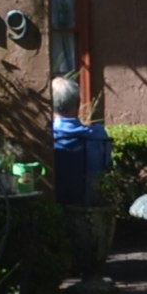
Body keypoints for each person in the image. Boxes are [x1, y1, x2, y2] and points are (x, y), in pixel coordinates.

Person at [47, 74, 112, 208]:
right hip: (91, 204)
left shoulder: (49, 135)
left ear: (49, 104)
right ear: (78, 103)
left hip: (55, 205)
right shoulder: (98, 135)